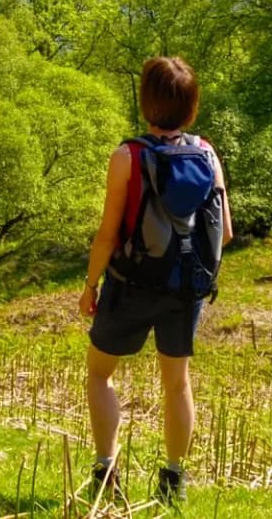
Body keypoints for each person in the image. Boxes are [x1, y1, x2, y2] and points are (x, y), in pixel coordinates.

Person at [78, 55, 232, 505]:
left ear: (146, 105)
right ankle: (173, 481)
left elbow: (108, 234)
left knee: (99, 374)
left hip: (131, 284)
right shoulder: (207, 153)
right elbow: (224, 231)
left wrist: (90, 286)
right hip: (185, 289)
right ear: (192, 107)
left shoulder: (128, 156)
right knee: (177, 384)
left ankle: (107, 474)